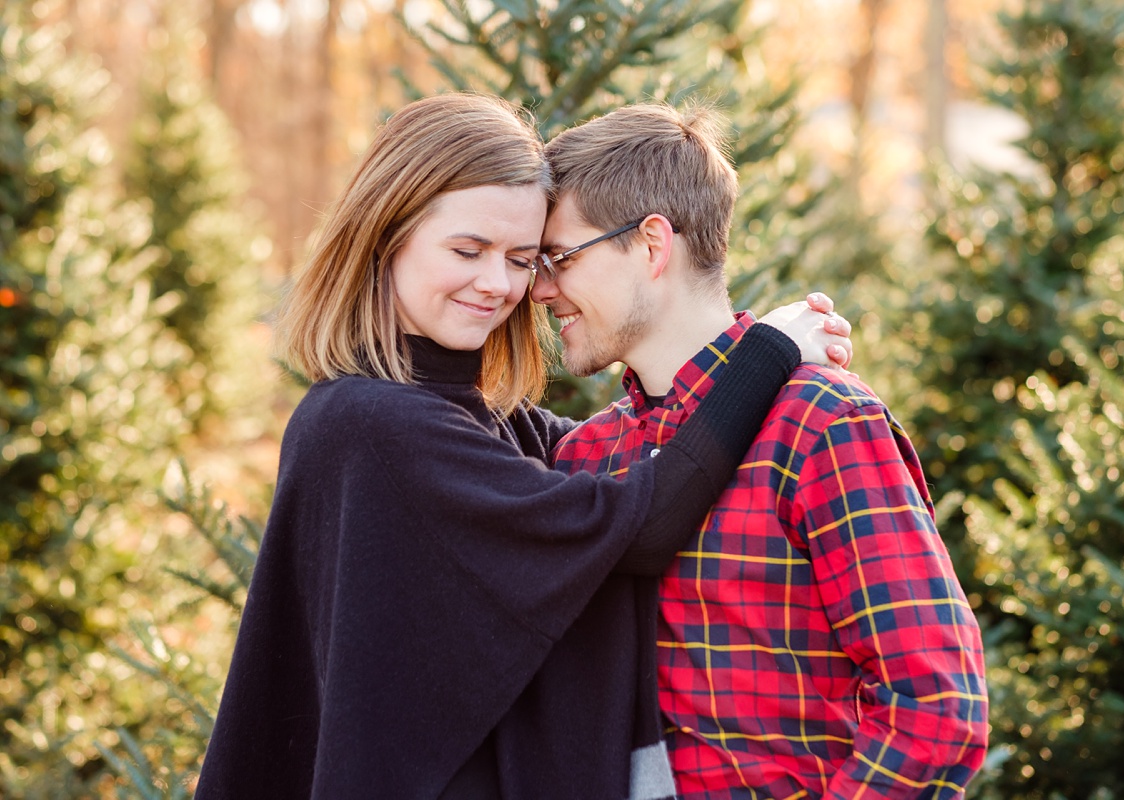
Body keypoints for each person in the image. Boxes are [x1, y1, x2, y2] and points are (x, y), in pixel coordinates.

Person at [194, 93, 854, 800]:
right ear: (388, 234)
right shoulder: (368, 424)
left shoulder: (481, 418)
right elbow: (642, 520)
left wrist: (751, 379)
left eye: (524, 258)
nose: (501, 285)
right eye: (468, 250)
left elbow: (631, 454)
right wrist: (769, 354)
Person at [531, 103, 989, 799]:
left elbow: (935, 704)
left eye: (560, 258)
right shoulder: (588, 458)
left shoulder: (821, 426)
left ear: (652, 246)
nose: (540, 289)